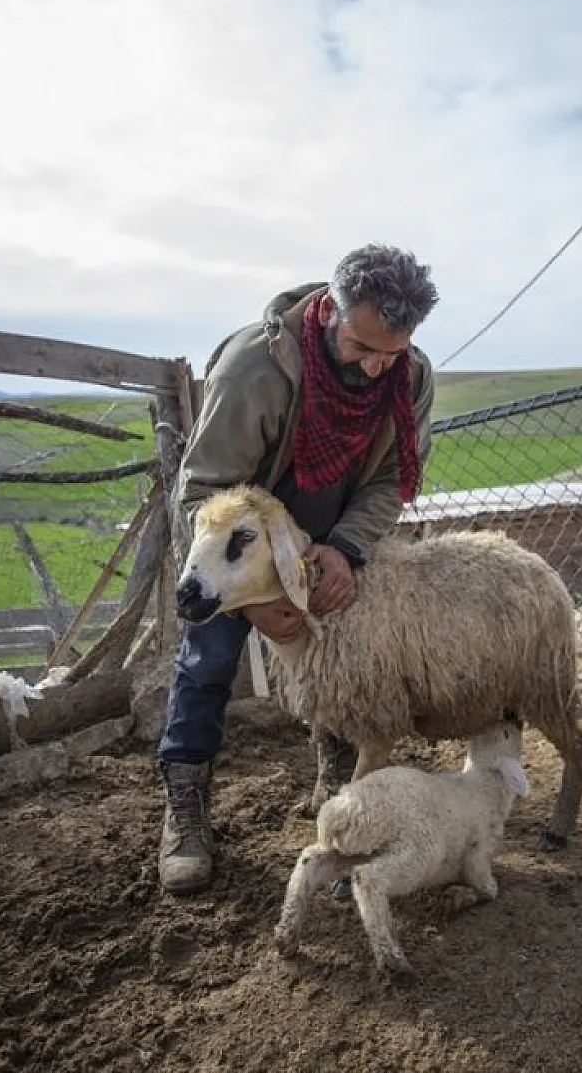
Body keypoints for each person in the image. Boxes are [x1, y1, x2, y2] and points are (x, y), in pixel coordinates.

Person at [157, 243, 440, 895]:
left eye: (388, 354)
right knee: (208, 658)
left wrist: (343, 546)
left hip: (329, 542)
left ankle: (336, 787)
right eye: (360, 346)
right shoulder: (257, 365)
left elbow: (394, 477)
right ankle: (186, 808)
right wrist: (252, 595)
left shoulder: (411, 376)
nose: (373, 368)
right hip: (240, 543)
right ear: (329, 312)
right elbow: (204, 492)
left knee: (339, 662)